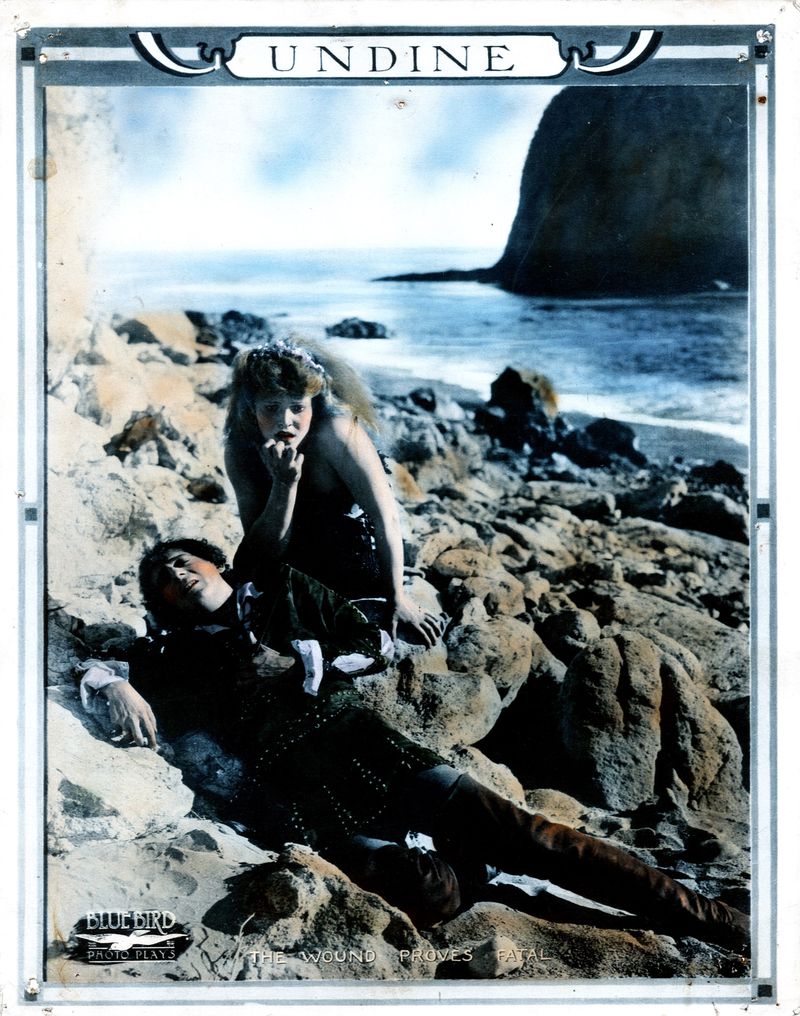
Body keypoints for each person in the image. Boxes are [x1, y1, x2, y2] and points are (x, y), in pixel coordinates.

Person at [78, 538, 750, 950]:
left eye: (181, 558)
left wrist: (295, 663)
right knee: (424, 894)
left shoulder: (282, 589)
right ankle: (473, 872)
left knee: (543, 841)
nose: (175, 571)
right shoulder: (170, 658)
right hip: (310, 805)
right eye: (162, 576)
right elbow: (93, 667)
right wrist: (114, 684)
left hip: (378, 755)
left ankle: (719, 921)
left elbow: (372, 643)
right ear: (164, 600)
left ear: (213, 561)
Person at [223, 339, 442, 645]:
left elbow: (386, 518)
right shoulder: (240, 449)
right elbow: (259, 555)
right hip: (292, 567)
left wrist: (398, 599)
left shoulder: (334, 434)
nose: (286, 421)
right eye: (271, 407)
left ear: (313, 404)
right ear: (252, 408)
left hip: (353, 560)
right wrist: (284, 485)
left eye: (298, 407)